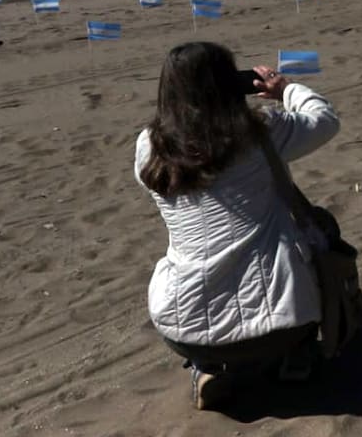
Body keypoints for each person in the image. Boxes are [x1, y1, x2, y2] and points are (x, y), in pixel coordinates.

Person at [134, 42, 340, 410]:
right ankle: (298, 353)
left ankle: (207, 367)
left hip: (180, 327)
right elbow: (324, 120)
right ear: (230, 84)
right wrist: (285, 90)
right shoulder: (259, 131)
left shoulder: (149, 146)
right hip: (279, 325)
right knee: (320, 235)